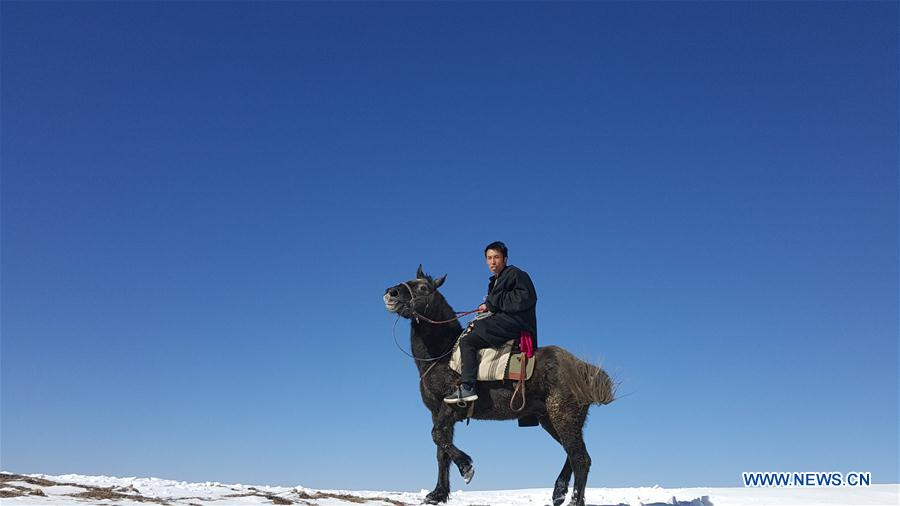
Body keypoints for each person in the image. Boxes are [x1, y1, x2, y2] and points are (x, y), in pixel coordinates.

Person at [444, 241, 538, 404]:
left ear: (505, 259)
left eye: (496, 257)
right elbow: (496, 305)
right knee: (471, 329)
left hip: (515, 323)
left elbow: (526, 297)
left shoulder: (516, 274)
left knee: (467, 341)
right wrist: (487, 308)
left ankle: (467, 387)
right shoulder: (495, 281)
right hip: (503, 321)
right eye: (489, 258)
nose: (492, 262)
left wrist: (492, 303)